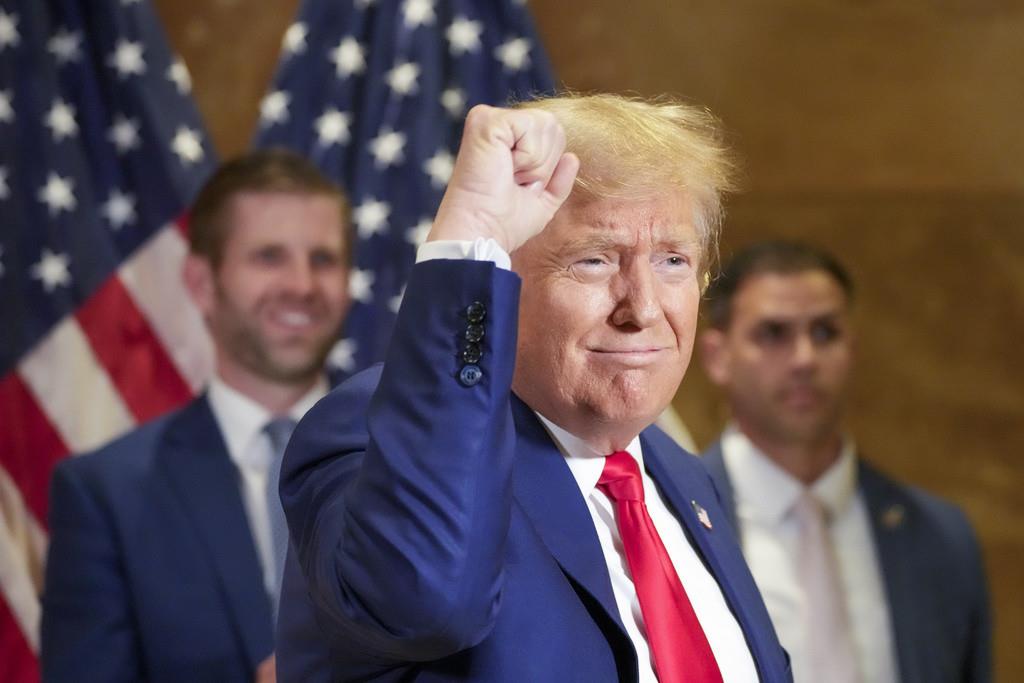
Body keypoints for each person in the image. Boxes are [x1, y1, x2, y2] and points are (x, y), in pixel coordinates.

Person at [275, 94, 793, 682]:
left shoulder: (680, 475)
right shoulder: (373, 433)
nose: (643, 308)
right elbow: (425, 607)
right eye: (594, 261)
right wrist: (471, 232)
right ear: (502, 278)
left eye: (672, 261)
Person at [40, 149, 353, 683]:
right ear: (202, 283)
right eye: (270, 256)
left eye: (323, 259)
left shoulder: (413, 456)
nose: (303, 285)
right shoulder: (104, 495)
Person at [697, 241, 992, 683]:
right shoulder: (669, 520)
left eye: (824, 333)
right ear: (718, 357)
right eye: (774, 333)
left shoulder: (940, 537)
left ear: (852, 347)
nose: (804, 359)